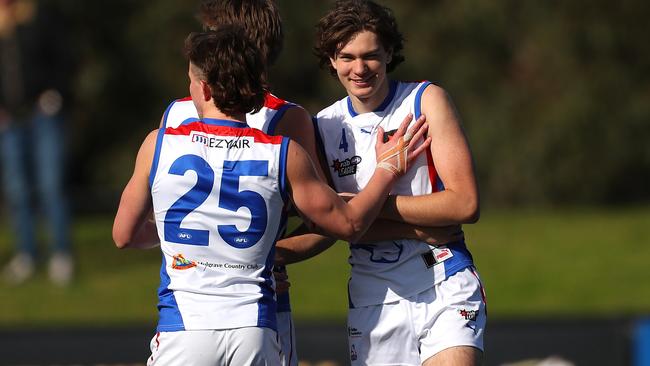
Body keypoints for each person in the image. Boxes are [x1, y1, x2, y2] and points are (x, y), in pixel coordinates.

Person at [112, 27, 430, 365]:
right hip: (253, 328)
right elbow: (349, 224)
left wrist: (183, 243)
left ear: (203, 88)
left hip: (184, 327)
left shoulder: (157, 143)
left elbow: (124, 235)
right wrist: (386, 170)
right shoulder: (283, 154)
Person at [310, 0, 487, 365]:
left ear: (389, 52)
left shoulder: (425, 100)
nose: (359, 68)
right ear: (331, 59)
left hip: (443, 279)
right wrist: (417, 226)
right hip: (373, 295)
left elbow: (465, 204)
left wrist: (366, 207)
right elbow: (337, 227)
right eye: (347, 57)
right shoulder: (322, 125)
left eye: (371, 55)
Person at [159, 1, 326, 364]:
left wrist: (267, 256)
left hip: (213, 305)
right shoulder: (181, 110)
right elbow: (331, 222)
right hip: (241, 310)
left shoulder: (286, 118)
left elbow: (321, 224)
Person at [0, 0, 73, 286]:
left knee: (51, 184)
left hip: (42, 113)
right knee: (17, 189)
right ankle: (27, 253)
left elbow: (64, 57)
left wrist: (56, 93)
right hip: (9, 119)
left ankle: (61, 252)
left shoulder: (39, 14)